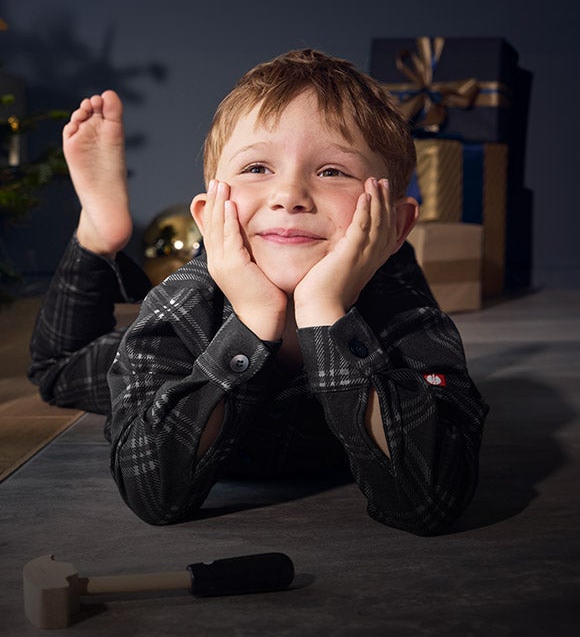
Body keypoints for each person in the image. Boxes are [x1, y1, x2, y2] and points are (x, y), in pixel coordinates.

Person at [30, 49, 488, 535]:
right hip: (211, 323)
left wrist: (325, 315)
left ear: (396, 227)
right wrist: (249, 323)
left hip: (373, 271)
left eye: (332, 171)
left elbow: (433, 501)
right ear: (208, 216)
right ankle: (97, 235)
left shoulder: (403, 312)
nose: (289, 195)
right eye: (257, 169)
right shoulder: (182, 307)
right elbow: (151, 495)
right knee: (60, 369)